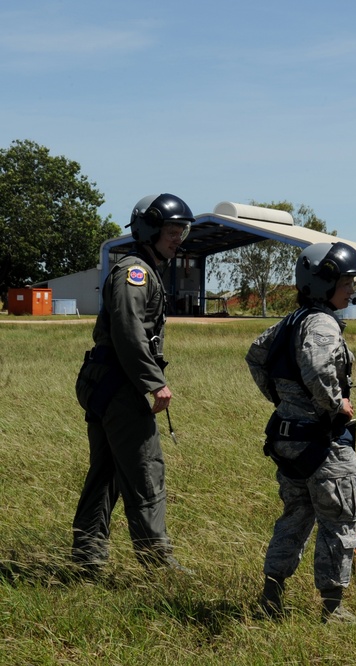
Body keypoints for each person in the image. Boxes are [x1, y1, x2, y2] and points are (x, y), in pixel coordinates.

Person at [246, 241, 356, 624]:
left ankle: (271, 598)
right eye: (348, 282)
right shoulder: (321, 324)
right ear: (322, 282)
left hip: (289, 442)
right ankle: (333, 610)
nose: (353, 290)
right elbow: (317, 369)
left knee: (295, 517)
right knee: (339, 521)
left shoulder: (291, 320)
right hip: (323, 444)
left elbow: (256, 355)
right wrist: (336, 405)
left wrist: (283, 400)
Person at [72, 193, 194, 574]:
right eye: (171, 230)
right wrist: (154, 382)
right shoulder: (134, 273)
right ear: (149, 229)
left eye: (182, 231)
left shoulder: (141, 269)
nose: (178, 238)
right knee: (145, 471)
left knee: (106, 474)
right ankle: (158, 565)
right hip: (120, 387)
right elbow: (128, 330)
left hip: (107, 384)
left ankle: (87, 558)